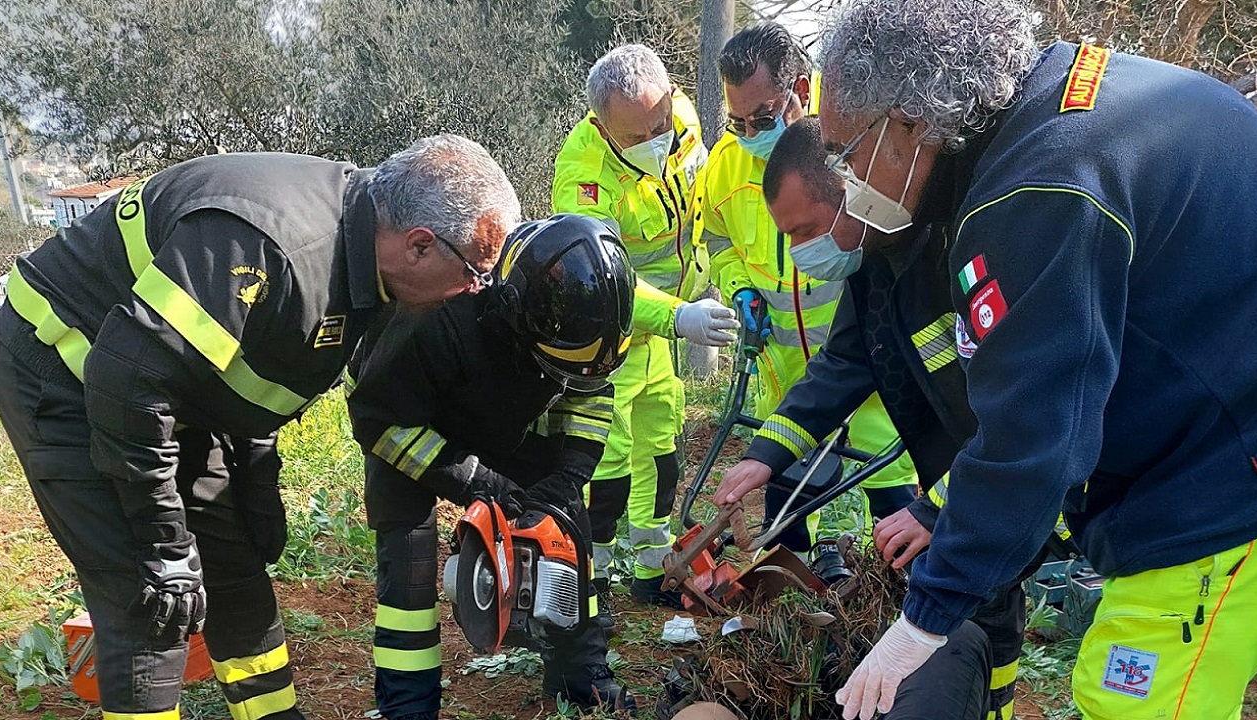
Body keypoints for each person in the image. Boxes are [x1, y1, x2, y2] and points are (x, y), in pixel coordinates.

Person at [808, 0, 1257, 717]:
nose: (845, 176)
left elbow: (1035, 437)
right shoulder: (1057, 106)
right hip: (1218, 433)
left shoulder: (1038, 188)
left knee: (1132, 700)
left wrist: (924, 618)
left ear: (909, 120)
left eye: (847, 152)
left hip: (1231, 475)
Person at [0, 135, 520, 720]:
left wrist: (253, 477)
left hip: (169, 386)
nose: (477, 288)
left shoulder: (368, 261)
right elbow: (129, 383)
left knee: (232, 565)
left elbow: (249, 367)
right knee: (149, 601)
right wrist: (163, 543)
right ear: (419, 245)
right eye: (476, 269)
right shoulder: (271, 245)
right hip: (70, 368)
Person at [720, 115, 1042, 718]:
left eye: (807, 230)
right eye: (788, 236)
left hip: (999, 471)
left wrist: (939, 505)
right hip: (962, 471)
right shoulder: (872, 258)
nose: (800, 252)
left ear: (852, 194)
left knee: (988, 600)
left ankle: (990, 701)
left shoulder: (953, 244)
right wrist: (766, 455)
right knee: (973, 599)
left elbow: (1020, 415)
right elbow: (845, 360)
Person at [344, 214, 638, 720]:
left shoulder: (580, 333)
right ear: (514, 310)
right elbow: (378, 421)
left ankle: (579, 669)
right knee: (408, 558)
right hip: (406, 423)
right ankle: (408, 703)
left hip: (503, 420)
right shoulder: (434, 317)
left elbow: (588, 397)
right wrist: (475, 481)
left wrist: (567, 477)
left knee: (567, 519)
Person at [696, 22, 918, 552]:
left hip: (869, 360)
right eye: (737, 121)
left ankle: (905, 595)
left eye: (763, 118)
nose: (750, 133)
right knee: (787, 487)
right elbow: (717, 239)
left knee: (894, 488)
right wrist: (738, 289)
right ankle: (788, 589)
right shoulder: (726, 166)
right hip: (789, 366)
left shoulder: (848, 145)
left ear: (799, 89)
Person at [553, 44, 739, 605]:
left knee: (661, 439)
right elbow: (602, 281)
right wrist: (679, 315)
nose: (658, 140)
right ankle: (595, 571)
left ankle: (654, 562)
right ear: (602, 127)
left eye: (660, 124)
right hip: (611, 331)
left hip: (665, 328)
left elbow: (706, 200)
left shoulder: (681, 117)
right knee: (608, 449)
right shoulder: (582, 177)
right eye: (637, 137)